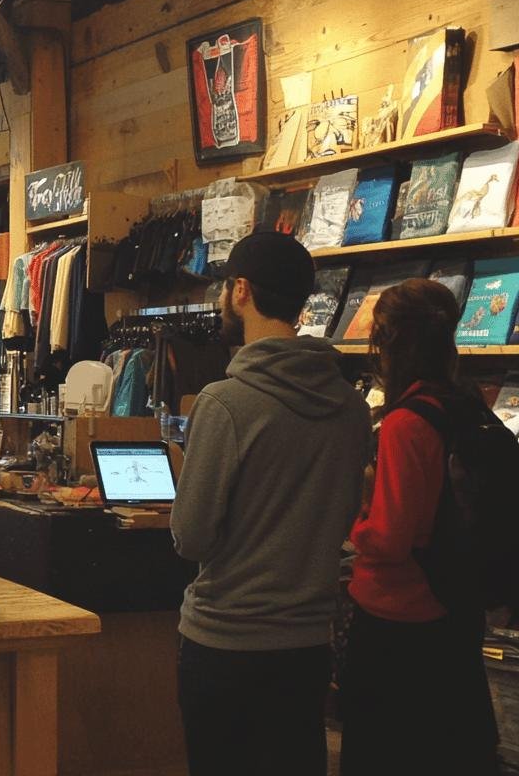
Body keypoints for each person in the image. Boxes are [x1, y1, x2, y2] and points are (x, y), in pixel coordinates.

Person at [170, 232, 372, 776]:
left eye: (222, 290)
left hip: (225, 641)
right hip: (307, 645)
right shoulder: (351, 408)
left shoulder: (225, 403)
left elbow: (191, 536)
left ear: (241, 290)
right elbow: (345, 516)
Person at [340, 278, 499, 775]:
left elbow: (389, 538)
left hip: (398, 619)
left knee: (382, 753)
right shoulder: (468, 406)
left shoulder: (406, 423)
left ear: (389, 342)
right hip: (455, 606)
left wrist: (354, 522)